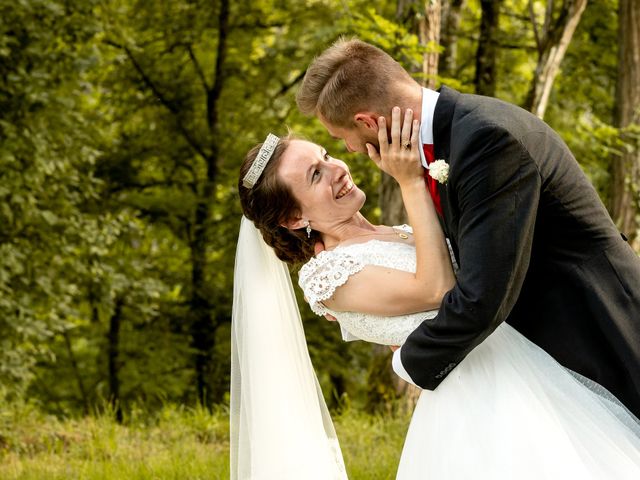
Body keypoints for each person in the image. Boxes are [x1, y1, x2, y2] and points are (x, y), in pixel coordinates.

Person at [231, 111, 640, 478]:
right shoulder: (326, 273)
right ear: (293, 217)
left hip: (529, 364)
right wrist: (409, 181)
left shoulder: (387, 234)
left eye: (324, 155)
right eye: (315, 176)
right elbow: (436, 288)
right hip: (480, 396)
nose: (335, 168)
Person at [296, 38, 640, 417]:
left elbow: (482, 296)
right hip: (551, 345)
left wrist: (409, 359)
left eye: (340, 139)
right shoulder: (450, 136)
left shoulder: (485, 142)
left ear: (366, 122)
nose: (349, 150)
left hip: (600, 327)